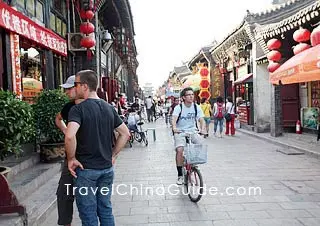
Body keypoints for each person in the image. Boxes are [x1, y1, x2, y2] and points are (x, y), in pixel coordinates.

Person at [65, 70, 130, 226]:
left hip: (86, 170)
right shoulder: (108, 108)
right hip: (107, 169)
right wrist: (113, 155)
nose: (75, 88)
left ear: (85, 86)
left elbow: (69, 135)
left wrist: (71, 158)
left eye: (76, 84)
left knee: (88, 213)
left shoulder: (78, 109)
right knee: (105, 209)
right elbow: (125, 133)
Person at [55, 75, 83, 226]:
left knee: (89, 198)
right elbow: (57, 119)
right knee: (64, 194)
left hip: (88, 159)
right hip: (70, 159)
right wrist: (66, 131)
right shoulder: (69, 107)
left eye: (68, 88)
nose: (66, 92)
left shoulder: (94, 105)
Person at [171, 87, 206, 185]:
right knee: (180, 150)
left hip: (192, 131)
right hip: (180, 132)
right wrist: (174, 128)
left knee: (200, 143)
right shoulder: (179, 107)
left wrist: (202, 129)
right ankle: (180, 175)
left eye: (192, 94)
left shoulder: (196, 107)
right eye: (188, 95)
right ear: (183, 97)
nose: (191, 96)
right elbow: (174, 119)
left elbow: (201, 119)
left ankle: (193, 165)